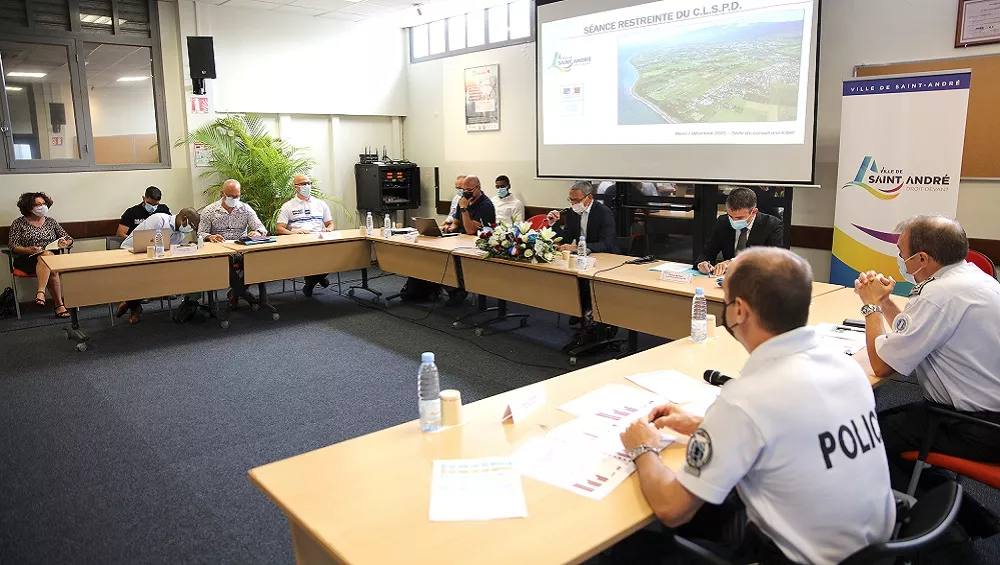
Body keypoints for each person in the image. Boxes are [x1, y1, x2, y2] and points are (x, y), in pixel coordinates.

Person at [615, 248, 895, 564]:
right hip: (867, 551)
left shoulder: (747, 398)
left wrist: (643, 448)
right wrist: (703, 426)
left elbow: (672, 509)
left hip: (795, 557)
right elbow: (793, 433)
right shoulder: (846, 367)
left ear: (740, 311)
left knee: (634, 546)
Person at [854, 214, 1000, 538]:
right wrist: (885, 302)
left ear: (921, 258)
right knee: (886, 429)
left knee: (865, 438)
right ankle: (968, 515)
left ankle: (949, 521)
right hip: (987, 415)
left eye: (901, 252)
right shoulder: (969, 278)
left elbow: (881, 365)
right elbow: (915, 331)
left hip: (973, 426)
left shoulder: (938, 296)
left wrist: (870, 307)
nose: (899, 258)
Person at [116, 208, 200, 324]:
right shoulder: (159, 220)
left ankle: (131, 303)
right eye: (191, 225)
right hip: (129, 252)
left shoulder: (180, 236)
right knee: (142, 276)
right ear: (184, 219)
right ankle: (134, 306)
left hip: (152, 260)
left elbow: (169, 253)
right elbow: (146, 242)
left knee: (157, 277)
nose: (191, 229)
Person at [198, 179, 268, 309]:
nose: (234, 199)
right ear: (222, 193)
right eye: (230, 196)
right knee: (225, 262)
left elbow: (261, 228)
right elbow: (200, 233)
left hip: (241, 248)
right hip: (221, 250)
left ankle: (235, 293)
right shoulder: (209, 211)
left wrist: (257, 232)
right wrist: (210, 236)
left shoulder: (245, 209)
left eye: (237, 196)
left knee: (256, 260)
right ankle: (246, 295)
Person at [7, 192, 73, 318]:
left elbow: (69, 238)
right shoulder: (18, 223)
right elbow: (13, 246)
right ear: (28, 207)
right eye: (38, 204)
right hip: (28, 259)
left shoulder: (51, 222)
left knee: (47, 257)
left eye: (43, 203)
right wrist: (29, 250)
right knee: (50, 265)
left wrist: (65, 242)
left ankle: (40, 292)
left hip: (51, 257)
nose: (42, 207)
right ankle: (59, 305)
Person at [696, 187, 783, 276]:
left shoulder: (772, 225)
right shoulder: (723, 222)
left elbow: (773, 261)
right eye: (730, 216)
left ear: (754, 212)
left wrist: (734, 262)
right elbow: (707, 252)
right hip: (727, 278)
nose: (734, 221)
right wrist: (702, 264)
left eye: (739, 218)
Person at [275, 174, 335, 297]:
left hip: (319, 240)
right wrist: (294, 233)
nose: (307, 186)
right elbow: (279, 228)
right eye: (303, 184)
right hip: (299, 243)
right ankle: (317, 278)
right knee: (313, 259)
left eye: (308, 183)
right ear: (295, 187)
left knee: (335, 256)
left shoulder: (320, 204)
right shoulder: (288, 206)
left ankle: (311, 282)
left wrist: (328, 230)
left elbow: (330, 223)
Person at [442, 175, 495, 306]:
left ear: (478, 188)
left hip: (476, 245)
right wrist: (450, 228)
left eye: (469, 190)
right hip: (460, 240)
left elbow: (471, 230)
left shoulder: (485, 205)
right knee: (440, 256)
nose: (465, 193)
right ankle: (451, 288)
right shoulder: (463, 200)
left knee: (452, 260)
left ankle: (459, 289)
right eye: (463, 190)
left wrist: (464, 209)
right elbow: (456, 222)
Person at [546, 180, 619, 254]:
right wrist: (553, 223)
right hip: (581, 255)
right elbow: (567, 239)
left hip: (602, 254)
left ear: (589, 197)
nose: (573, 203)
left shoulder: (604, 212)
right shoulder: (572, 212)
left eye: (577, 200)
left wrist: (577, 247)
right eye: (571, 199)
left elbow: (606, 244)